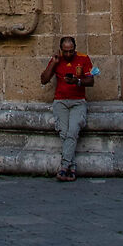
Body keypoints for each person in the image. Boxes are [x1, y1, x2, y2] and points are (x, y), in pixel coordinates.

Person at [41, 36, 96, 181]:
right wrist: (53, 64)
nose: (68, 55)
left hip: (78, 101)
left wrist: (77, 81)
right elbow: (44, 79)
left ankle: (64, 167)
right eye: (65, 52)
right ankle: (71, 168)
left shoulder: (84, 59)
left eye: (71, 51)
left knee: (72, 131)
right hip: (60, 101)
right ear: (61, 50)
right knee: (64, 133)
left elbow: (91, 81)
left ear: (75, 49)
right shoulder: (57, 60)